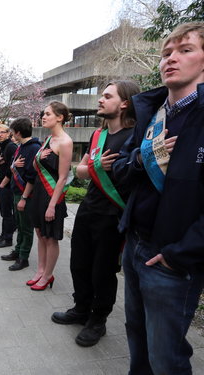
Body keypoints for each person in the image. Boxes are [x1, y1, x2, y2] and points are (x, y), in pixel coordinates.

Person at [113, 22, 204, 374]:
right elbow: (121, 170)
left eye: (185, 50)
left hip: (171, 259)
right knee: (136, 337)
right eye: (166, 52)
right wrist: (143, 157)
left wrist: (179, 254)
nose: (171, 59)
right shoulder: (151, 112)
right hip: (135, 245)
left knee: (166, 358)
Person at [51, 81, 140, 347]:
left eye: (107, 96)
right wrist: (95, 166)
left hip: (113, 213)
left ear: (124, 103)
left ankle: (98, 320)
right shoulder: (98, 136)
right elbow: (81, 171)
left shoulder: (136, 136)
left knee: (103, 270)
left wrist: (91, 167)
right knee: (79, 263)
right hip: (89, 209)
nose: (100, 100)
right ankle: (81, 309)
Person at [26, 102, 73, 287]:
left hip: (52, 196)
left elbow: (63, 178)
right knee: (40, 234)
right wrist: (41, 158)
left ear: (59, 117)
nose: (43, 117)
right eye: (43, 114)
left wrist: (52, 205)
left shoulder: (66, 142)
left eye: (47, 114)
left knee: (51, 237)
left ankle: (48, 275)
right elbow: (34, 168)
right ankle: (40, 271)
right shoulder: (47, 140)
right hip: (39, 192)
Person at [0, 117, 41, 271]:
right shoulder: (21, 147)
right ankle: (18, 251)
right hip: (17, 191)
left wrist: (24, 198)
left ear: (18, 132)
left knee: (26, 227)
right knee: (20, 224)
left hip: (25, 194)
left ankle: (24, 257)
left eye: (13, 132)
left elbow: (31, 175)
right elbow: (13, 167)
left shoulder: (33, 148)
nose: (12, 135)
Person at [0, 124, 17, 248]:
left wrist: (3, 183)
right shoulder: (4, 146)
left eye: (2, 132)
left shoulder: (11, 146)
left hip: (7, 185)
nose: (0, 135)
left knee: (7, 213)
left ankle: (8, 239)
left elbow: (12, 167)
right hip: (2, 183)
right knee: (4, 213)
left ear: (8, 133)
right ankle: (3, 234)